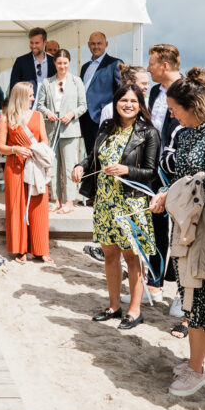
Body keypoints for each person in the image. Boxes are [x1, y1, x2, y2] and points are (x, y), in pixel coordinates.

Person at [148, 75, 205, 397]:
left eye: (175, 109)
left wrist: (177, 195)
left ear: (193, 106)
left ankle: (198, 368)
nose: (171, 114)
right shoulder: (184, 134)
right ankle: (198, 360)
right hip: (186, 223)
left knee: (203, 296)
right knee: (193, 296)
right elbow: (179, 178)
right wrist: (164, 194)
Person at [73, 84, 159, 330]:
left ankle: (135, 310)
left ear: (140, 104)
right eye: (124, 100)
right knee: (110, 255)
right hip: (104, 202)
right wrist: (81, 165)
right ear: (116, 102)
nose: (128, 104)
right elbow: (93, 157)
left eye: (133, 100)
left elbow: (152, 173)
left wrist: (127, 170)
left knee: (133, 258)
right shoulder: (105, 127)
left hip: (130, 203)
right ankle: (113, 306)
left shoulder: (148, 133)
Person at [143, 44, 183, 305]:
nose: (148, 68)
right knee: (155, 227)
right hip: (154, 170)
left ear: (165, 66)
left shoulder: (188, 91)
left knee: (180, 232)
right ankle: (154, 285)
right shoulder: (156, 91)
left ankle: (181, 293)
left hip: (178, 171)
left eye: (152, 63)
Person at [0, 82, 51, 264]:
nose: (33, 98)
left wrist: (36, 149)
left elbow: (45, 140)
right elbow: (0, 147)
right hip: (15, 166)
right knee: (17, 206)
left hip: (35, 164)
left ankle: (40, 249)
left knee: (39, 204)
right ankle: (20, 249)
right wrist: (15, 150)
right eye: (30, 95)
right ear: (20, 96)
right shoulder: (7, 118)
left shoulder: (38, 116)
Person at [37, 48, 87, 213]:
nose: (62, 66)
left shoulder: (76, 81)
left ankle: (70, 201)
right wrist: (48, 113)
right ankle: (56, 199)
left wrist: (72, 114)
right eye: (59, 63)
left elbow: (83, 106)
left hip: (70, 129)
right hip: (51, 129)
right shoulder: (47, 82)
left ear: (69, 63)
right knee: (53, 165)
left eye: (65, 63)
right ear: (54, 63)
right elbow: (40, 105)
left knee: (69, 166)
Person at [79, 31, 123, 162]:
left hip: (104, 119)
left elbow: (121, 91)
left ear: (106, 44)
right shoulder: (85, 67)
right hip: (85, 118)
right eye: (93, 43)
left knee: (103, 158)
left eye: (99, 43)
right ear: (88, 45)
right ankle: (91, 182)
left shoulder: (115, 63)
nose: (96, 46)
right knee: (90, 157)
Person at [8, 26, 55, 97]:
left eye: (37, 43)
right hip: (27, 106)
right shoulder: (21, 62)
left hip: (48, 106)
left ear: (45, 42)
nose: (33, 46)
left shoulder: (53, 62)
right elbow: (13, 88)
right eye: (31, 43)